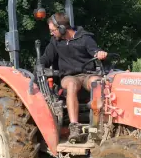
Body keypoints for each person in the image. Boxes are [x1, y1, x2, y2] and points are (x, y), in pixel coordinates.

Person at [40, 11, 108, 143]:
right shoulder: (55, 42)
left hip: (88, 75)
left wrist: (100, 54)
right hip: (69, 76)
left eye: (53, 30)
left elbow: (95, 51)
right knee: (71, 84)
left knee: (97, 82)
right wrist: (40, 64)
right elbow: (45, 58)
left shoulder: (85, 38)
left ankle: (97, 126)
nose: (51, 33)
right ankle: (74, 128)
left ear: (62, 28)